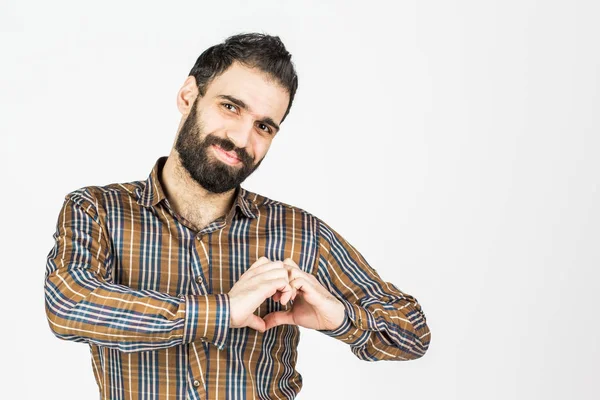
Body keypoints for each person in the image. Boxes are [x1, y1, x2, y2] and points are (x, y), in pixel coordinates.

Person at [44, 32, 431, 400]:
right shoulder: (97, 210)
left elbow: (412, 333)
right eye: (230, 107)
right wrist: (223, 311)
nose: (242, 139)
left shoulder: (298, 233)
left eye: (264, 126)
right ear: (187, 95)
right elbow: (67, 304)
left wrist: (342, 317)